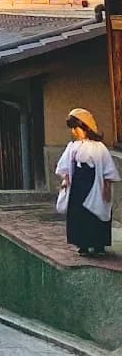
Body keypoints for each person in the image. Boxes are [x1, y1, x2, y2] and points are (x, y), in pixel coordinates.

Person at [56, 107, 120, 257]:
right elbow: (65, 167)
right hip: (78, 186)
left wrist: (106, 187)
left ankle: (99, 244)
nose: (74, 132)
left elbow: (107, 169)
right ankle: (83, 243)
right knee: (79, 214)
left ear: (86, 128)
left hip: (94, 184)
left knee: (96, 213)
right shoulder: (72, 147)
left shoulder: (100, 148)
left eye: (76, 128)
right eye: (73, 129)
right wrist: (65, 180)